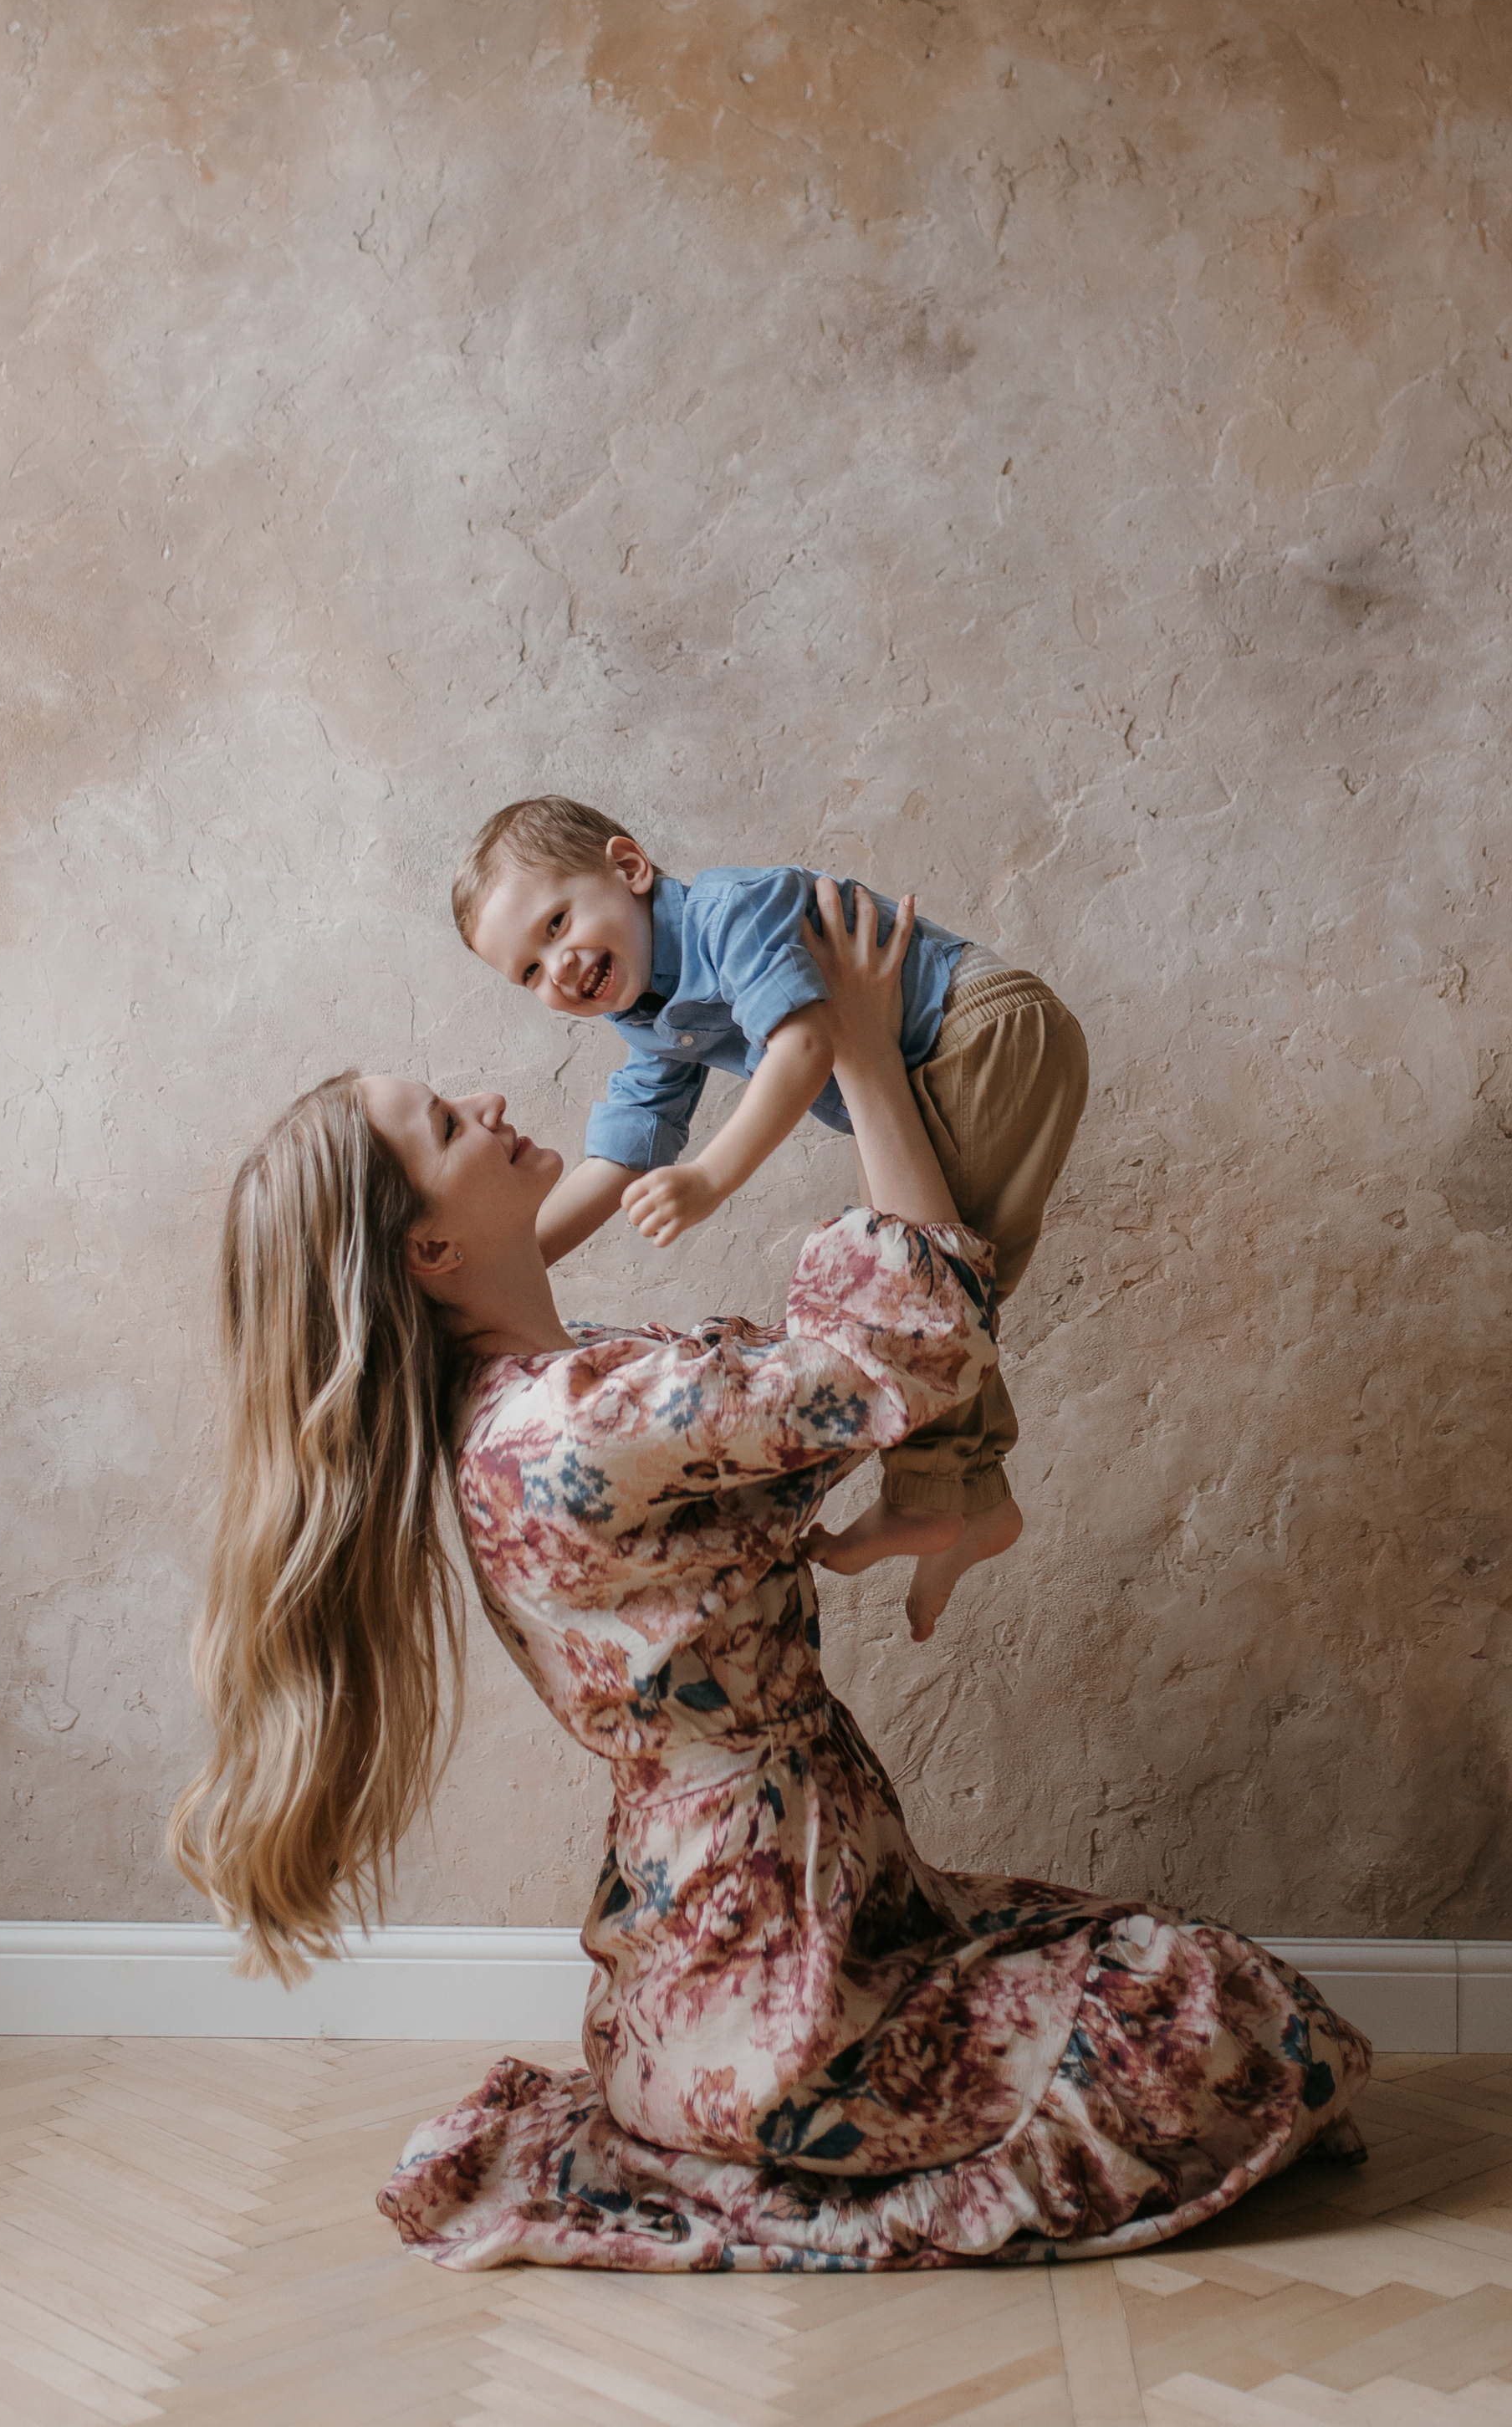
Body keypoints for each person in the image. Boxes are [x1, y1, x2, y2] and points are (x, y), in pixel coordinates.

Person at [173, 881, 1369, 2271]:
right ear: (430, 1251)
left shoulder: (547, 1395)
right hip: (774, 1990)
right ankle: (782, 2122)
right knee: (1226, 2016)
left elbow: (852, 1382)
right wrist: (860, 1050)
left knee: (1151, 1960)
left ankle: (746, 2098)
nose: (489, 1102)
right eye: (447, 1123)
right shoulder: (573, 1424)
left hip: (757, 1935)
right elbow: (911, 1355)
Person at [450, 795, 1089, 1638]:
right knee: (930, 1292)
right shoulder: (650, 1018)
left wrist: (710, 1177)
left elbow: (805, 1044)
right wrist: (490, 1271)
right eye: (529, 972)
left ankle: (938, 1499)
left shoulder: (732, 913)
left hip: (977, 1035)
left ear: (630, 868)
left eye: (557, 925)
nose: (558, 969)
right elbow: (621, 1156)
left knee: (925, 1290)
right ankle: (968, 1500)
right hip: (915, 1074)